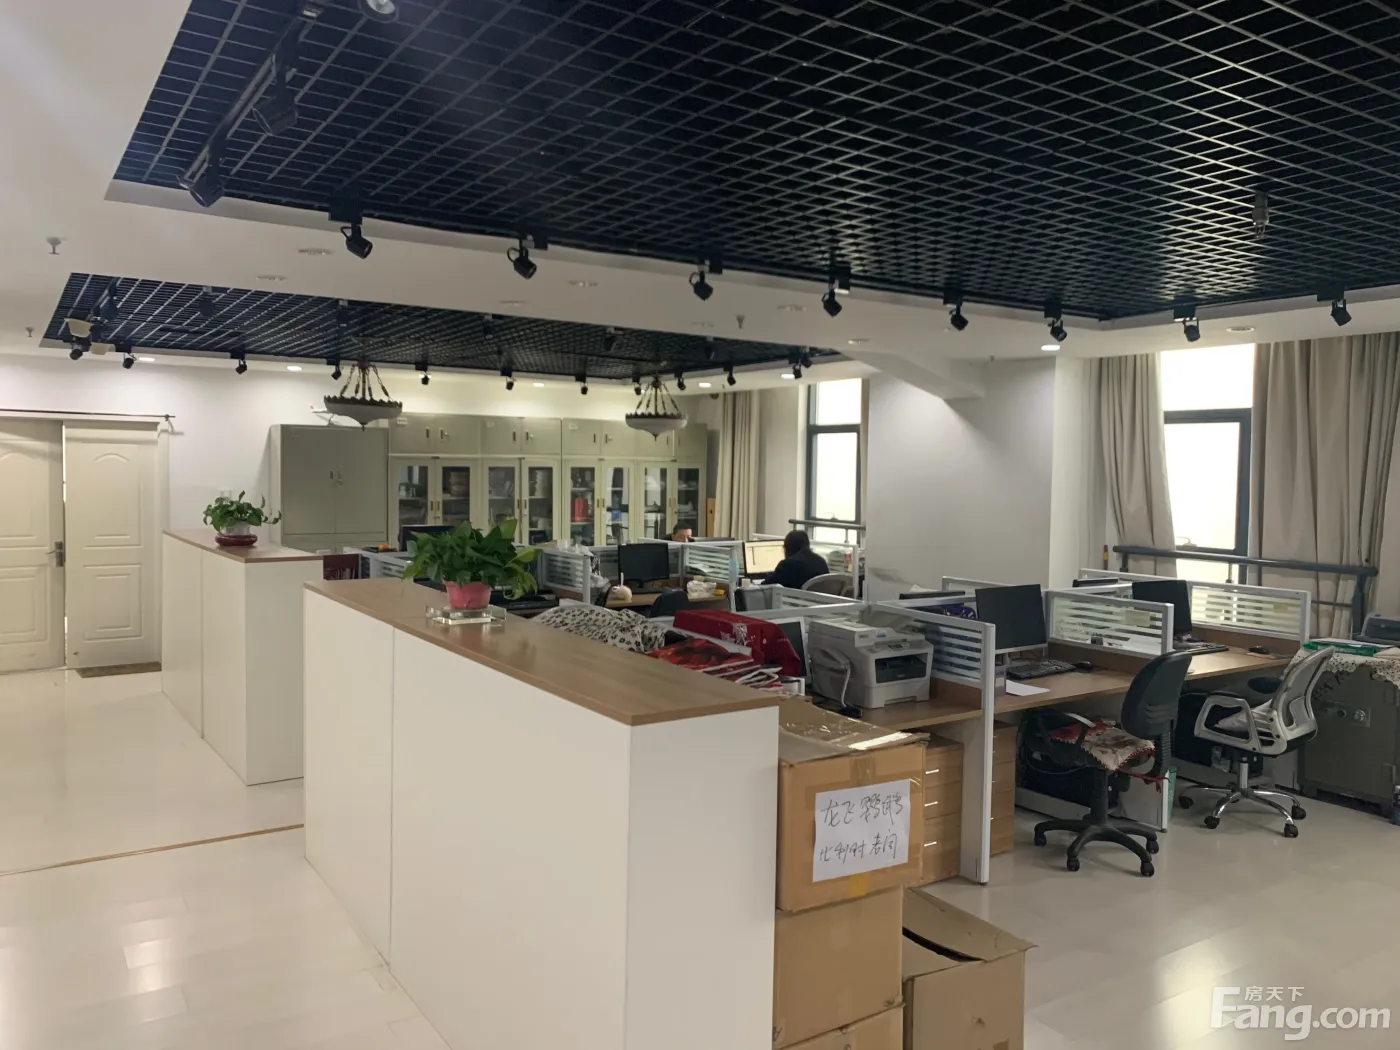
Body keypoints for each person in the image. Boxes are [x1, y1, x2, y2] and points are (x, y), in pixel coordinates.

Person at [763, 530, 830, 589]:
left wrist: (769, 575)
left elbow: (766, 585)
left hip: (794, 599)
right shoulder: (821, 562)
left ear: (787, 548)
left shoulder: (788, 565)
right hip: (818, 599)